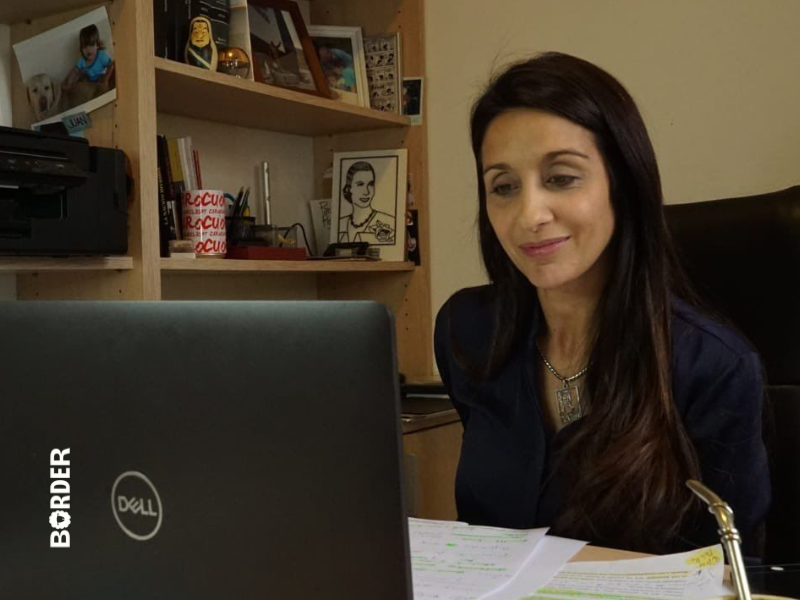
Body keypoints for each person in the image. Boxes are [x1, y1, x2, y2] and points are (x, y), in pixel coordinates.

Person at [434, 52, 770, 556]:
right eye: (503, 186)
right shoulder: (467, 330)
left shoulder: (714, 367)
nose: (529, 214)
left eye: (561, 177)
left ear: (623, 183)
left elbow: (734, 566)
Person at [338, 161, 396, 244]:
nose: (366, 192)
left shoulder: (390, 221)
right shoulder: (339, 224)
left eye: (370, 184)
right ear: (349, 188)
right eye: (360, 184)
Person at [62, 24, 114, 93]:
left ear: (97, 45)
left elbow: (110, 65)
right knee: (81, 82)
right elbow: (74, 72)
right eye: (84, 47)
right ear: (81, 48)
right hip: (90, 81)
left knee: (103, 87)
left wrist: (106, 78)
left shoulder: (101, 56)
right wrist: (68, 82)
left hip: (101, 77)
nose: (88, 49)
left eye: (91, 45)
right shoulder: (82, 60)